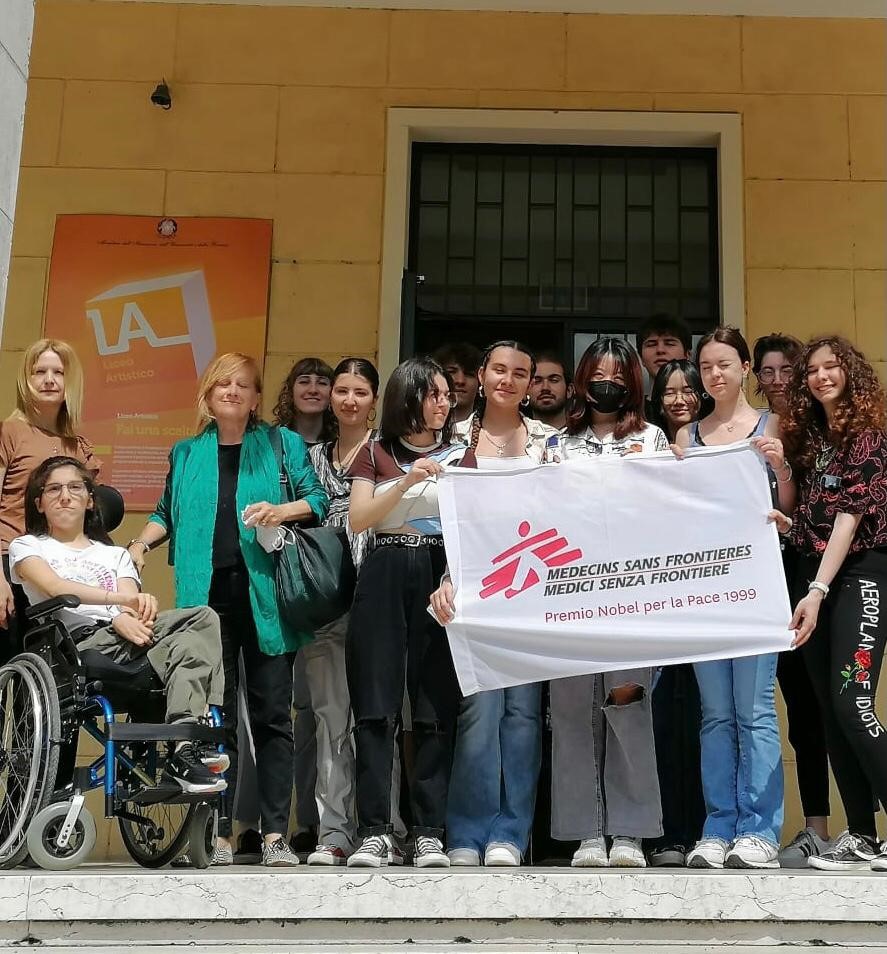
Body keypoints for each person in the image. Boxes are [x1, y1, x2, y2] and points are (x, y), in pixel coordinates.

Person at [126, 353, 329, 867]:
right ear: (208, 394)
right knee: (215, 718)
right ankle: (218, 836)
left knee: (272, 716)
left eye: (243, 384)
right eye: (223, 383)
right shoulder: (187, 452)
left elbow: (318, 500)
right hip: (204, 602)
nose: (233, 391)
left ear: (257, 397)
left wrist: (280, 510)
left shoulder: (281, 444)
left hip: (266, 594)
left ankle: (276, 834)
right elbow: (165, 512)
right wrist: (141, 543)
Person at [10, 457, 225, 795]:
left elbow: (130, 602)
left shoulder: (115, 555)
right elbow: (55, 588)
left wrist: (130, 613)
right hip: (73, 647)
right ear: (39, 503)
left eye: (75, 487)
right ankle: (195, 737)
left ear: (89, 499)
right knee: (200, 619)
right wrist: (119, 609)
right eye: (53, 489)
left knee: (193, 639)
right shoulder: (28, 546)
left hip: (128, 642)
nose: (65, 496)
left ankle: (185, 746)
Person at [430, 341, 556, 867]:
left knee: (522, 715)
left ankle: (510, 834)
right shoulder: (452, 437)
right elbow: (440, 519)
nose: (508, 379)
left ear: (530, 383)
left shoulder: (550, 442)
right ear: (481, 375)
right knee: (480, 711)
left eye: (520, 373)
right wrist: (445, 578)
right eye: (499, 369)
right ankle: (466, 833)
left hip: (532, 592)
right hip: (472, 593)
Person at [675, 326, 793, 870]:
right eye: (705, 367)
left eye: (724, 364)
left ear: (745, 367)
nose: (714, 374)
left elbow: (790, 506)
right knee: (716, 714)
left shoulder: (774, 425)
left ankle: (760, 830)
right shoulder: (688, 435)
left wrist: (780, 467)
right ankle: (718, 826)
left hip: (758, 586)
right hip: (704, 590)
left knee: (755, 710)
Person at [548, 337, 667, 868]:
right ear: (582, 381)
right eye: (598, 375)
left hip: (632, 593)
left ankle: (630, 833)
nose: (607, 384)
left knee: (628, 703)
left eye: (619, 377)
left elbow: (671, 510)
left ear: (633, 384)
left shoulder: (651, 438)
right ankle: (586, 834)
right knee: (572, 709)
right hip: (568, 593)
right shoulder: (557, 445)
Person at [345, 357, 467, 868]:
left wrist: (451, 579)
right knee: (376, 706)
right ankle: (374, 830)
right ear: (409, 397)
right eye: (434, 394)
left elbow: (472, 527)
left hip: (439, 575)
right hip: (385, 567)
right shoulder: (375, 451)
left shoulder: (462, 453)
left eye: (446, 395)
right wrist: (405, 481)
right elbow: (358, 518)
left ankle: (428, 832)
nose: (444, 403)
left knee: (435, 706)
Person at [782, 336, 887, 872]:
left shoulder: (868, 436)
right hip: (815, 578)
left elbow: (849, 519)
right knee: (831, 710)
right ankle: (862, 835)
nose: (822, 376)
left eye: (832, 367)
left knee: (853, 703)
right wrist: (786, 521)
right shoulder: (814, 440)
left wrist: (818, 592)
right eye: (813, 370)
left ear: (851, 373)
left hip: (860, 578)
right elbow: (815, 521)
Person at [305, 358, 405, 864]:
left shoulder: (388, 453)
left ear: (374, 400)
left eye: (360, 392)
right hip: (325, 602)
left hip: (378, 599)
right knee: (330, 721)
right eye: (341, 390)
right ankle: (333, 832)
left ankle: (387, 829)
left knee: (379, 720)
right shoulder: (310, 458)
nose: (348, 400)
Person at [753, 333, 832, 867]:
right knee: (793, 704)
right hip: (764, 581)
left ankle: (839, 828)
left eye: (788, 370)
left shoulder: (817, 428)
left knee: (830, 704)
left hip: (815, 576)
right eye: (768, 371)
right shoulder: (749, 429)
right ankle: (816, 828)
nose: (778, 380)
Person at [0, 339, 101, 664]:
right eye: (39, 372)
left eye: (58, 372)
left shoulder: (78, 446)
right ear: (25, 380)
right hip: (10, 562)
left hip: (60, 568)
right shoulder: (9, 432)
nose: (49, 380)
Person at [644, 359, 708, 866]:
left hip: (708, 598)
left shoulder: (719, 444)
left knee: (705, 717)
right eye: (669, 391)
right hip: (650, 602)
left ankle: (706, 830)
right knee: (660, 716)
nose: (679, 399)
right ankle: (665, 834)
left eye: (688, 390)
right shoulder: (643, 443)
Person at [273, 356, 334, 854]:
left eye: (322, 381)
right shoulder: (269, 442)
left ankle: (308, 821)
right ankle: (250, 823)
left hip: (317, 586)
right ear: (289, 389)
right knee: (269, 707)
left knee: (313, 710)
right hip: (269, 582)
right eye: (304, 380)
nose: (313, 389)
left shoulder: (340, 448)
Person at [635, 314, 692, 411]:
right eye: (651, 344)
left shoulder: (705, 412)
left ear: (687, 355)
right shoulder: (632, 413)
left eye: (669, 343)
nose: (660, 350)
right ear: (641, 358)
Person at [273, 357, 335, 446]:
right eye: (304, 382)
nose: (313, 390)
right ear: (291, 390)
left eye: (322, 383)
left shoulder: (342, 445)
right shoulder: (271, 442)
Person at [433, 343, 482, 424]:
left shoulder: (492, 429)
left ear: (480, 382)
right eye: (451, 372)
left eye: (469, 374)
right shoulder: (417, 428)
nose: (460, 381)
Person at [528, 352, 573, 431]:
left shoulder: (588, 435)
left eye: (554, 380)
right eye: (537, 381)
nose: (545, 387)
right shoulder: (514, 436)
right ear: (525, 390)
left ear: (569, 390)